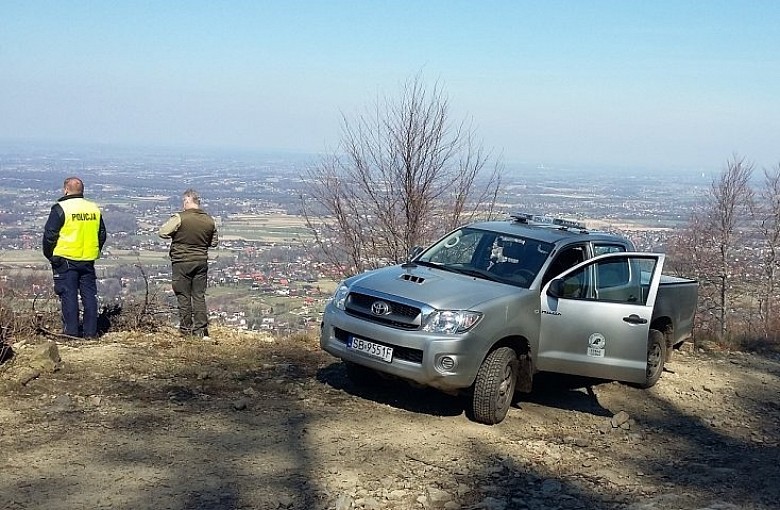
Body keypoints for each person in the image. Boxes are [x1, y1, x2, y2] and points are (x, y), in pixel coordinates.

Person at [42, 177, 107, 338]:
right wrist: (94, 250)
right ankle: (90, 333)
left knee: (68, 295)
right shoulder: (93, 208)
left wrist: (50, 254)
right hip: (88, 259)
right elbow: (102, 234)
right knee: (89, 296)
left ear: (65, 189)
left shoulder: (60, 208)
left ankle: (71, 333)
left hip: (65, 258)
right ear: (82, 191)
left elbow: (50, 235)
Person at [159, 189, 218, 339]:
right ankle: (201, 331)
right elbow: (214, 242)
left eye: (183, 202)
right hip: (201, 261)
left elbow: (163, 232)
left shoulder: (180, 218)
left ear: (187, 200)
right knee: (198, 296)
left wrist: (178, 235)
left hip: (181, 261)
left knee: (183, 295)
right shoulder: (209, 220)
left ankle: (186, 330)